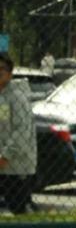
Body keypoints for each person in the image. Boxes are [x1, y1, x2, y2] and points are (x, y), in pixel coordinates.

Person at [0, 52, 38, 214]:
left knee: (19, 210)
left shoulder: (17, 97)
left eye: (1, 69)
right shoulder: (2, 96)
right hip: (4, 165)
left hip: (17, 167)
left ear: (10, 73)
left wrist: (5, 156)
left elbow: (21, 130)